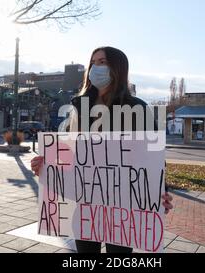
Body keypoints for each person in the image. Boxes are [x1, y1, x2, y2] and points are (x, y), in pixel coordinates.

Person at [31, 46, 173, 253]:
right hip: (86, 201)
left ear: (118, 68)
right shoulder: (78, 108)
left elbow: (152, 159)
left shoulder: (137, 108)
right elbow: (70, 151)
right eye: (93, 63)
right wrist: (45, 164)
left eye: (102, 62)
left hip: (124, 203)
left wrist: (161, 192)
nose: (95, 68)